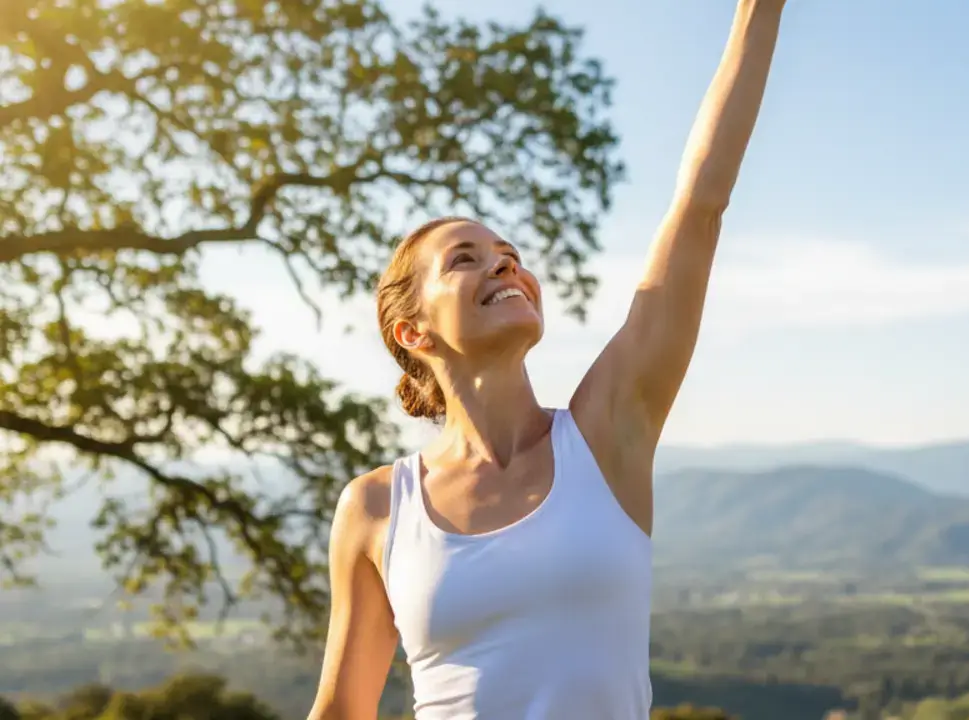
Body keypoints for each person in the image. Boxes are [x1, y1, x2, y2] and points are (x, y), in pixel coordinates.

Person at [306, 1, 787, 718]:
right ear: (413, 333)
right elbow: (342, 710)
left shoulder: (607, 437)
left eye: (511, 257)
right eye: (467, 259)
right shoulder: (377, 507)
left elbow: (700, 206)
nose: (506, 268)